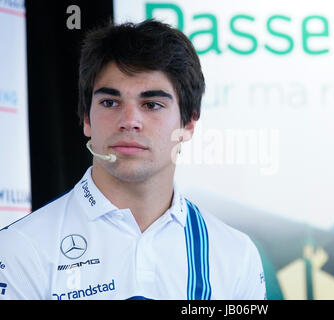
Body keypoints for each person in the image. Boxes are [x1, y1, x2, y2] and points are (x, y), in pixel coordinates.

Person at [0, 19, 266, 300]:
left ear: (188, 124)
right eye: (110, 102)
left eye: (151, 105)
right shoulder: (19, 249)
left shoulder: (236, 254)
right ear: (87, 119)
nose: (129, 121)